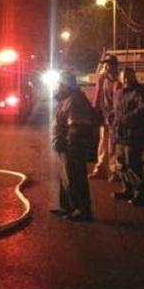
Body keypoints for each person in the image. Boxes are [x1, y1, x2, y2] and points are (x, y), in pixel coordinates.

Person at [50, 71, 96, 222]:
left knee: (75, 177)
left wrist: (70, 145)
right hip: (65, 146)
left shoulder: (75, 100)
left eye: (59, 85)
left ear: (66, 85)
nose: (57, 87)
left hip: (72, 146)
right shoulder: (67, 99)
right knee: (66, 178)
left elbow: (77, 126)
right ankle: (68, 207)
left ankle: (82, 210)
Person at [113, 67, 144, 206]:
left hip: (134, 135)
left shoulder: (142, 92)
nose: (125, 79)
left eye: (128, 76)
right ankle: (127, 189)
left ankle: (140, 194)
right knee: (121, 164)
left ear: (134, 77)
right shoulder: (118, 93)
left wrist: (127, 119)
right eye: (123, 76)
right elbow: (116, 111)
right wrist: (112, 117)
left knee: (133, 164)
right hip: (120, 135)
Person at [90, 54, 121, 180]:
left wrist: (115, 114)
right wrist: (94, 110)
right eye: (105, 64)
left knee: (113, 145)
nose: (106, 66)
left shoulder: (120, 79)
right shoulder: (102, 78)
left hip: (115, 116)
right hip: (104, 115)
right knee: (103, 143)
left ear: (114, 65)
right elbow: (98, 95)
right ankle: (100, 169)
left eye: (108, 64)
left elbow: (122, 100)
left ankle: (115, 172)